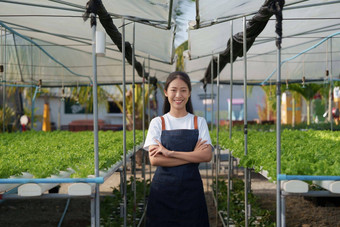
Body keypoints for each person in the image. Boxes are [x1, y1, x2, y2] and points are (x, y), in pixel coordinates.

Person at [143, 71, 213, 227]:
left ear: (188, 93)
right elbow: (155, 159)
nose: (178, 95)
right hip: (163, 192)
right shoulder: (157, 123)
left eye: (183, 90)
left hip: (191, 192)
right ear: (166, 92)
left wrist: (170, 153)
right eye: (173, 90)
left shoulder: (198, 122)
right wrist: (193, 154)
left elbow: (207, 156)